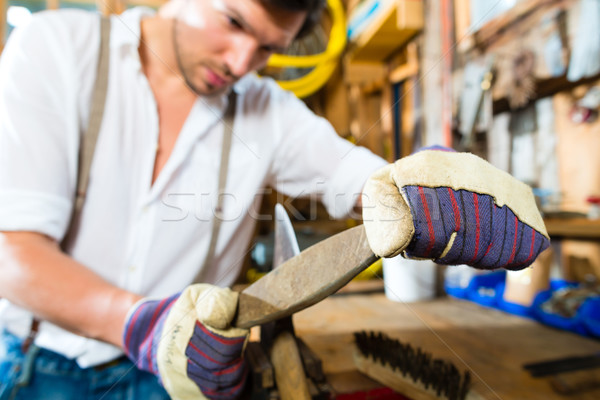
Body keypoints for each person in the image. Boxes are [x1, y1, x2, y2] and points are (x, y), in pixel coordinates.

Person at [0, 0, 550, 399]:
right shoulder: (57, 50)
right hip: (45, 368)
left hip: (185, 380)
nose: (241, 61)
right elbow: (12, 249)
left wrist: (416, 188)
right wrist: (137, 322)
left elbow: (349, 171)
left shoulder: (266, 109)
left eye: (267, 46)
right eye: (233, 21)